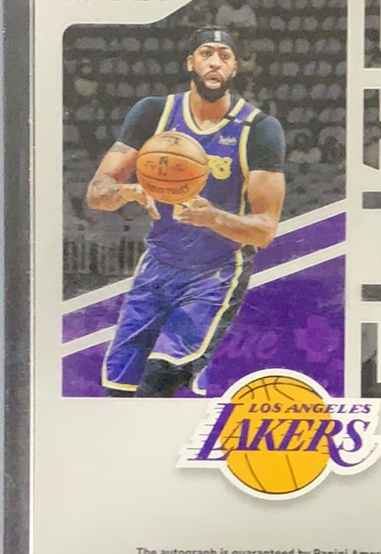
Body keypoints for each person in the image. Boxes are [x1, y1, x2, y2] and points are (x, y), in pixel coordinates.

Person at [85, 27, 286, 397]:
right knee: (119, 390)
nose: (215, 62)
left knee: (159, 378)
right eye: (206, 53)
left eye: (224, 55)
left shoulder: (258, 129)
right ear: (190, 62)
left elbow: (265, 229)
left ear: (235, 68)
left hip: (215, 273)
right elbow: (97, 193)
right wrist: (126, 191)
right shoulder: (154, 113)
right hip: (156, 266)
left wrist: (214, 218)